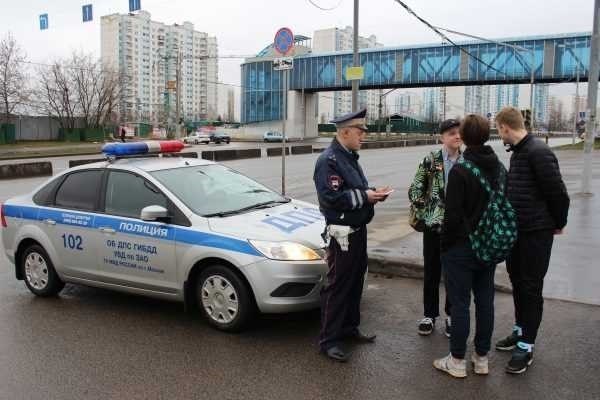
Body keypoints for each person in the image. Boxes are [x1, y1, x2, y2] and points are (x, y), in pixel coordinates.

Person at [495, 107, 570, 374]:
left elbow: (558, 194)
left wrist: (558, 223)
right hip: (518, 232)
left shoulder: (539, 152)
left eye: (498, 129)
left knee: (530, 286)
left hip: (536, 233)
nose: (498, 134)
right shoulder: (519, 152)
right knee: (517, 280)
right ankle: (519, 329)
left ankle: (527, 345)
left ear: (505, 127)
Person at [313, 108, 390, 363]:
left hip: (357, 231)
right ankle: (329, 340)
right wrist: (366, 196)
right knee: (338, 286)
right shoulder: (329, 160)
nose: (363, 136)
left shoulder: (349, 156)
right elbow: (331, 197)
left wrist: (372, 193)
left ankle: (349, 328)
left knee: (355, 281)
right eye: (360, 131)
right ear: (345, 132)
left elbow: (354, 189)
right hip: (342, 234)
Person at [433, 114, 505, 378]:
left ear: (465, 136)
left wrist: (446, 246)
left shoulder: (462, 170)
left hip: (462, 248)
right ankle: (482, 358)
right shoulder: (497, 166)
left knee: (461, 304)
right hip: (488, 245)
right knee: (485, 301)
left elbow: (452, 217)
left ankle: (457, 361)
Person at [408, 118, 462, 337]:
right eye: (451, 133)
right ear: (442, 137)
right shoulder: (431, 160)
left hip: (458, 229)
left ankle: (451, 315)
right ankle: (429, 315)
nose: (457, 136)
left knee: (454, 274)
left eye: (459, 133)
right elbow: (415, 190)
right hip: (433, 228)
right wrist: (428, 211)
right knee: (432, 271)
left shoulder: (467, 161)